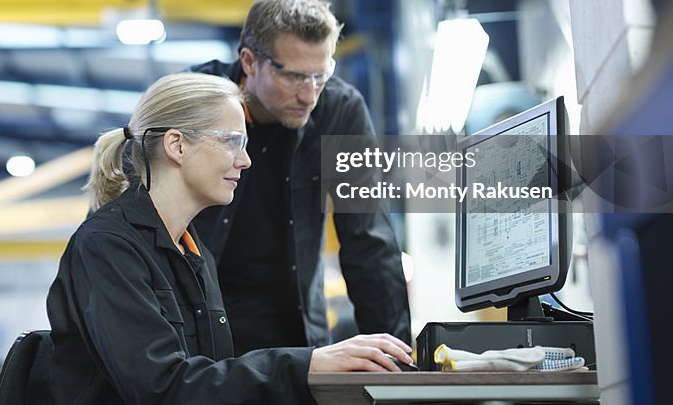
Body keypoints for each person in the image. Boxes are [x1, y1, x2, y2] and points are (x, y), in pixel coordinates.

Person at [44, 72, 413, 404]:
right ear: (177, 145)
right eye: (232, 142)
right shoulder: (108, 247)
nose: (246, 160)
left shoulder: (191, 250)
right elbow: (164, 389)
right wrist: (308, 363)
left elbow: (210, 382)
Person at [192, 0, 411, 355]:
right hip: (198, 337)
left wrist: (398, 361)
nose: (310, 95)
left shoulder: (340, 111)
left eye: (320, 75)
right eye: (294, 77)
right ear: (249, 62)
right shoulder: (193, 102)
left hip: (293, 341)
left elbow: (369, 243)